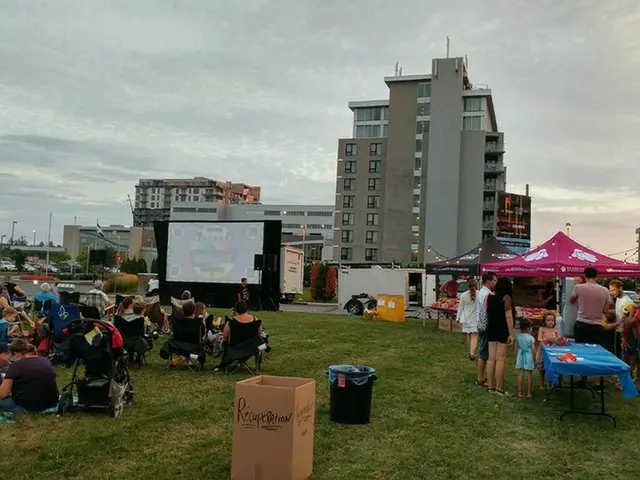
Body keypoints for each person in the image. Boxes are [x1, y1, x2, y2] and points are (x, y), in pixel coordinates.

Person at [0, 339, 59, 413]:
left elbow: (3, 394)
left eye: (12, 356)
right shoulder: (45, 360)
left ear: (16, 354)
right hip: (51, 403)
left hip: (28, 406)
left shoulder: (16, 365)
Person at [486, 277, 516, 396]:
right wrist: (511, 333)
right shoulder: (506, 298)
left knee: (491, 358)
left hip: (491, 328)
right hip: (502, 329)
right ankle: (499, 388)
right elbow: (509, 317)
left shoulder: (490, 296)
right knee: (501, 359)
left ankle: (490, 385)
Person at [569, 267, 611, 347]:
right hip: (597, 325)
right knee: (596, 351)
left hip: (581, 324)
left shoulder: (578, 287)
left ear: (585, 276)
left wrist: (575, 284)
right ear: (596, 276)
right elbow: (605, 310)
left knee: (580, 350)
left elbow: (571, 300)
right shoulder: (605, 290)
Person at [476, 272, 497, 387]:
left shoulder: (482, 292)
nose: (495, 282)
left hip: (481, 324)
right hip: (485, 325)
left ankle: (482, 377)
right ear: (488, 281)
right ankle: (480, 377)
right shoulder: (486, 294)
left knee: (484, 351)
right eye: (494, 280)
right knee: (484, 353)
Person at [536, 312, 561, 389]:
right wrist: (546, 340)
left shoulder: (556, 329)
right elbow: (539, 338)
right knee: (542, 368)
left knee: (551, 367)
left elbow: (559, 339)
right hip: (543, 350)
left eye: (552, 320)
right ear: (544, 321)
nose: (550, 322)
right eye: (548, 320)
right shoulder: (542, 329)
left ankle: (550, 383)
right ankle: (541, 384)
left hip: (553, 350)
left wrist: (555, 340)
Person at [609, 279, 633, 357]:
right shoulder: (618, 298)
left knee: (625, 354)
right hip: (619, 330)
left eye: (614, 290)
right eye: (611, 290)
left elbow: (628, 320)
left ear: (620, 288)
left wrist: (624, 336)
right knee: (618, 353)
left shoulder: (627, 301)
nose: (612, 292)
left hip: (625, 332)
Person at [456, 278, 478, 360]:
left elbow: (460, 308)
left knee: (469, 335)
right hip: (475, 317)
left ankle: (470, 351)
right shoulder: (479, 294)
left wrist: (457, 317)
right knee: (474, 335)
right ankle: (472, 352)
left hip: (465, 317)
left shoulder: (463, 295)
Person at [515, 318, 535, 398]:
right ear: (528, 328)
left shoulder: (518, 337)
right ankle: (529, 393)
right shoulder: (530, 338)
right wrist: (534, 358)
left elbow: (516, 348)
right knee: (529, 375)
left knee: (521, 373)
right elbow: (533, 349)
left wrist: (515, 358)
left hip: (520, 355)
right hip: (528, 356)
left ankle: (520, 392)